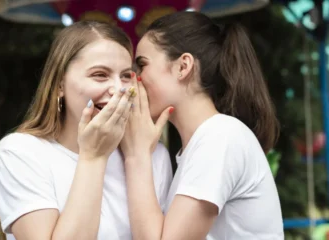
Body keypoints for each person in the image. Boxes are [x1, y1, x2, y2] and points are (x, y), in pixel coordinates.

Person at [0, 21, 173, 240]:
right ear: (59, 84)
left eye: (126, 76)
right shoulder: (20, 153)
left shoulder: (153, 156)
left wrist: (138, 158)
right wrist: (93, 157)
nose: (118, 89)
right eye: (100, 75)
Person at [121, 11, 284, 240]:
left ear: (183, 66)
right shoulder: (207, 140)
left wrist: (136, 155)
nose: (135, 79)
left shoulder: (219, 136)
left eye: (142, 65)